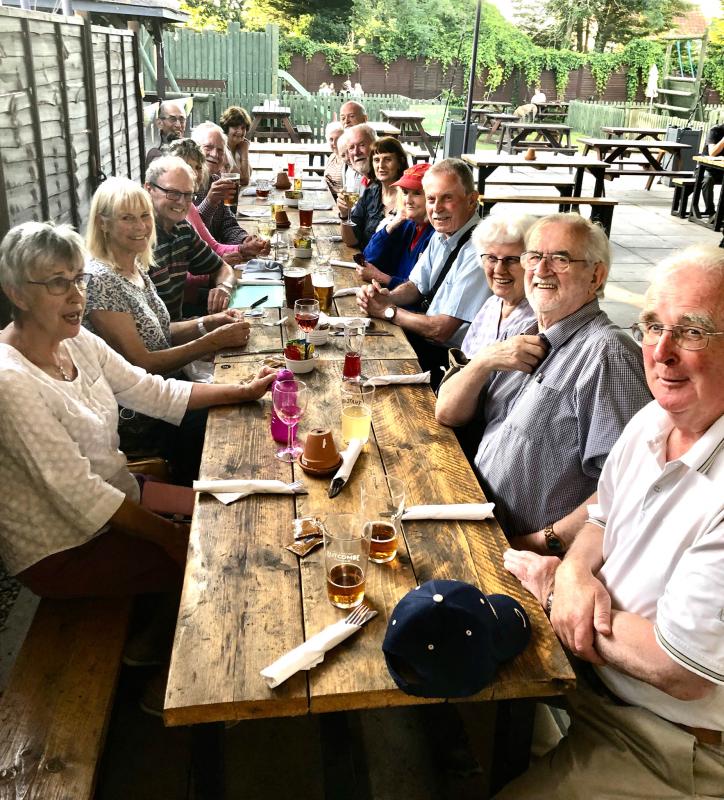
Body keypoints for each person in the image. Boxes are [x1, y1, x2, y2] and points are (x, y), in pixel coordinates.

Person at [499, 245, 724, 799]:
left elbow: (679, 669)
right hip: (594, 682)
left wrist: (556, 594)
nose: (662, 353)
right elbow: (602, 517)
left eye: (692, 331)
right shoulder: (656, 416)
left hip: (672, 741)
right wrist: (574, 574)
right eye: (652, 327)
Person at [0, 220, 276, 598]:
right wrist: (171, 536)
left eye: (79, 279)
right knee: (224, 553)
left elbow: (149, 389)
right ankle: (149, 644)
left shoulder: (76, 340)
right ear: (15, 293)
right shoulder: (10, 379)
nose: (77, 296)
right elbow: (82, 493)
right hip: (68, 545)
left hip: (123, 497)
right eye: (57, 283)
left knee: (239, 512)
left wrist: (240, 391)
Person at [436, 213, 651, 548]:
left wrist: (543, 542)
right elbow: (448, 412)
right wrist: (483, 361)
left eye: (561, 259)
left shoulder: (607, 353)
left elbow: (627, 486)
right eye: (534, 256)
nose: (541, 269)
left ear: (596, 276)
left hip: (525, 553)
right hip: (476, 514)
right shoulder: (527, 332)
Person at [357, 158, 488, 384]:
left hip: (452, 367)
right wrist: (385, 296)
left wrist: (389, 311)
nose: (437, 208)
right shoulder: (442, 233)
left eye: (448, 198)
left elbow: (441, 330)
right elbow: (415, 286)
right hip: (424, 343)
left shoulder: (481, 250)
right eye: (431, 199)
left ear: (471, 200)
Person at [145, 156, 236, 321]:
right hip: (160, 339)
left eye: (188, 195)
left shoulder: (182, 229)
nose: (181, 202)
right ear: (149, 189)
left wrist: (224, 287)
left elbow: (222, 268)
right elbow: (151, 333)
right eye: (173, 193)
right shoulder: (138, 239)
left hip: (179, 329)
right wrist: (205, 325)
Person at [459, 213, 537, 358]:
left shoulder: (538, 319)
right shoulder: (492, 304)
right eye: (492, 258)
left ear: (533, 263)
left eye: (512, 260)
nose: (499, 270)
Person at [190, 121, 269, 257]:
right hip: (201, 268)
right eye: (208, 147)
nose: (215, 154)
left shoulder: (215, 181)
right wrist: (210, 202)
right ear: (194, 150)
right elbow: (193, 234)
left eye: (220, 150)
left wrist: (245, 240)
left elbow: (228, 225)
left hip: (218, 259)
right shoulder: (185, 187)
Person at [166, 138, 246, 266]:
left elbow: (222, 231)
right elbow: (182, 268)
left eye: (198, 167)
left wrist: (244, 244)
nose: (195, 174)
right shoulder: (168, 208)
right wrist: (218, 266)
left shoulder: (191, 203)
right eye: (209, 147)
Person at [357, 163, 435, 290]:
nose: (408, 200)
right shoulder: (406, 224)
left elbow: (420, 290)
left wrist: (381, 277)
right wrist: (391, 225)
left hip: (405, 307)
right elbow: (368, 258)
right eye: (404, 192)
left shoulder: (436, 234)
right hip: (389, 300)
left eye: (416, 193)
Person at [341, 136, 408, 250]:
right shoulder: (370, 194)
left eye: (387, 159)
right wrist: (344, 214)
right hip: (365, 261)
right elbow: (351, 241)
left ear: (400, 162)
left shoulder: (409, 197)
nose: (381, 166)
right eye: (376, 160)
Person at [337, 123, 377, 219]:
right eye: (351, 148)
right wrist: (344, 214)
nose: (356, 152)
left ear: (376, 146)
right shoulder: (366, 180)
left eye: (362, 145)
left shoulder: (386, 183)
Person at [145, 100, 186, 169]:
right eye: (172, 119)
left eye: (182, 120)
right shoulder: (156, 155)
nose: (178, 125)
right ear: (159, 123)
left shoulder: (190, 150)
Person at [219, 105, 252, 187]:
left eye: (243, 127)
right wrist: (245, 151)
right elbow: (244, 180)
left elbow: (249, 173)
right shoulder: (222, 149)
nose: (240, 132)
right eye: (235, 127)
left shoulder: (238, 146)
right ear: (227, 128)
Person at [700, 120, 724, 220]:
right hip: (706, 168)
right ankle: (711, 212)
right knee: (707, 180)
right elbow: (712, 152)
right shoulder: (715, 131)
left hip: (721, 170)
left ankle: (721, 213)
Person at [323, 121, 345, 199]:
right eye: (331, 139)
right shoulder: (332, 156)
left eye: (338, 139)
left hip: (339, 201)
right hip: (326, 197)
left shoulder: (348, 161)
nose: (334, 143)